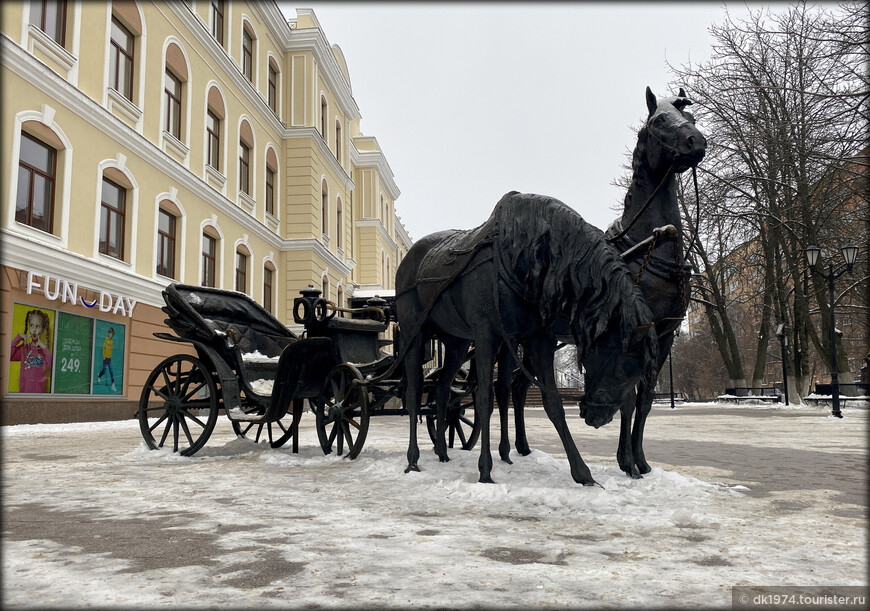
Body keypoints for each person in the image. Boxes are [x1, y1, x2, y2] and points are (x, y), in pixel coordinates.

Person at [10, 309, 52, 393]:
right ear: (29, 327)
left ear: (43, 330)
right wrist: (18, 337)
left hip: (39, 397)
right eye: (31, 325)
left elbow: (52, 368)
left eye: (37, 326)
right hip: (23, 396)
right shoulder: (24, 348)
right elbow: (9, 356)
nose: (34, 329)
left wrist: (44, 348)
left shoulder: (44, 351)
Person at [97, 327, 116, 392]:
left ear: (112, 334)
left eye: (111, 333)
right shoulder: (106, 339)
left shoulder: (112, 341)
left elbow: (111, 349)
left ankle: (113, 384)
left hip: (109, 358)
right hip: (105, 358)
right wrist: (104, 356)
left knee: (111, 371)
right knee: (104, 371)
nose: (109, 334)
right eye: (109, 332)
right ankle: (99, 375)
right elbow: (104, 348)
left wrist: (110, 356)